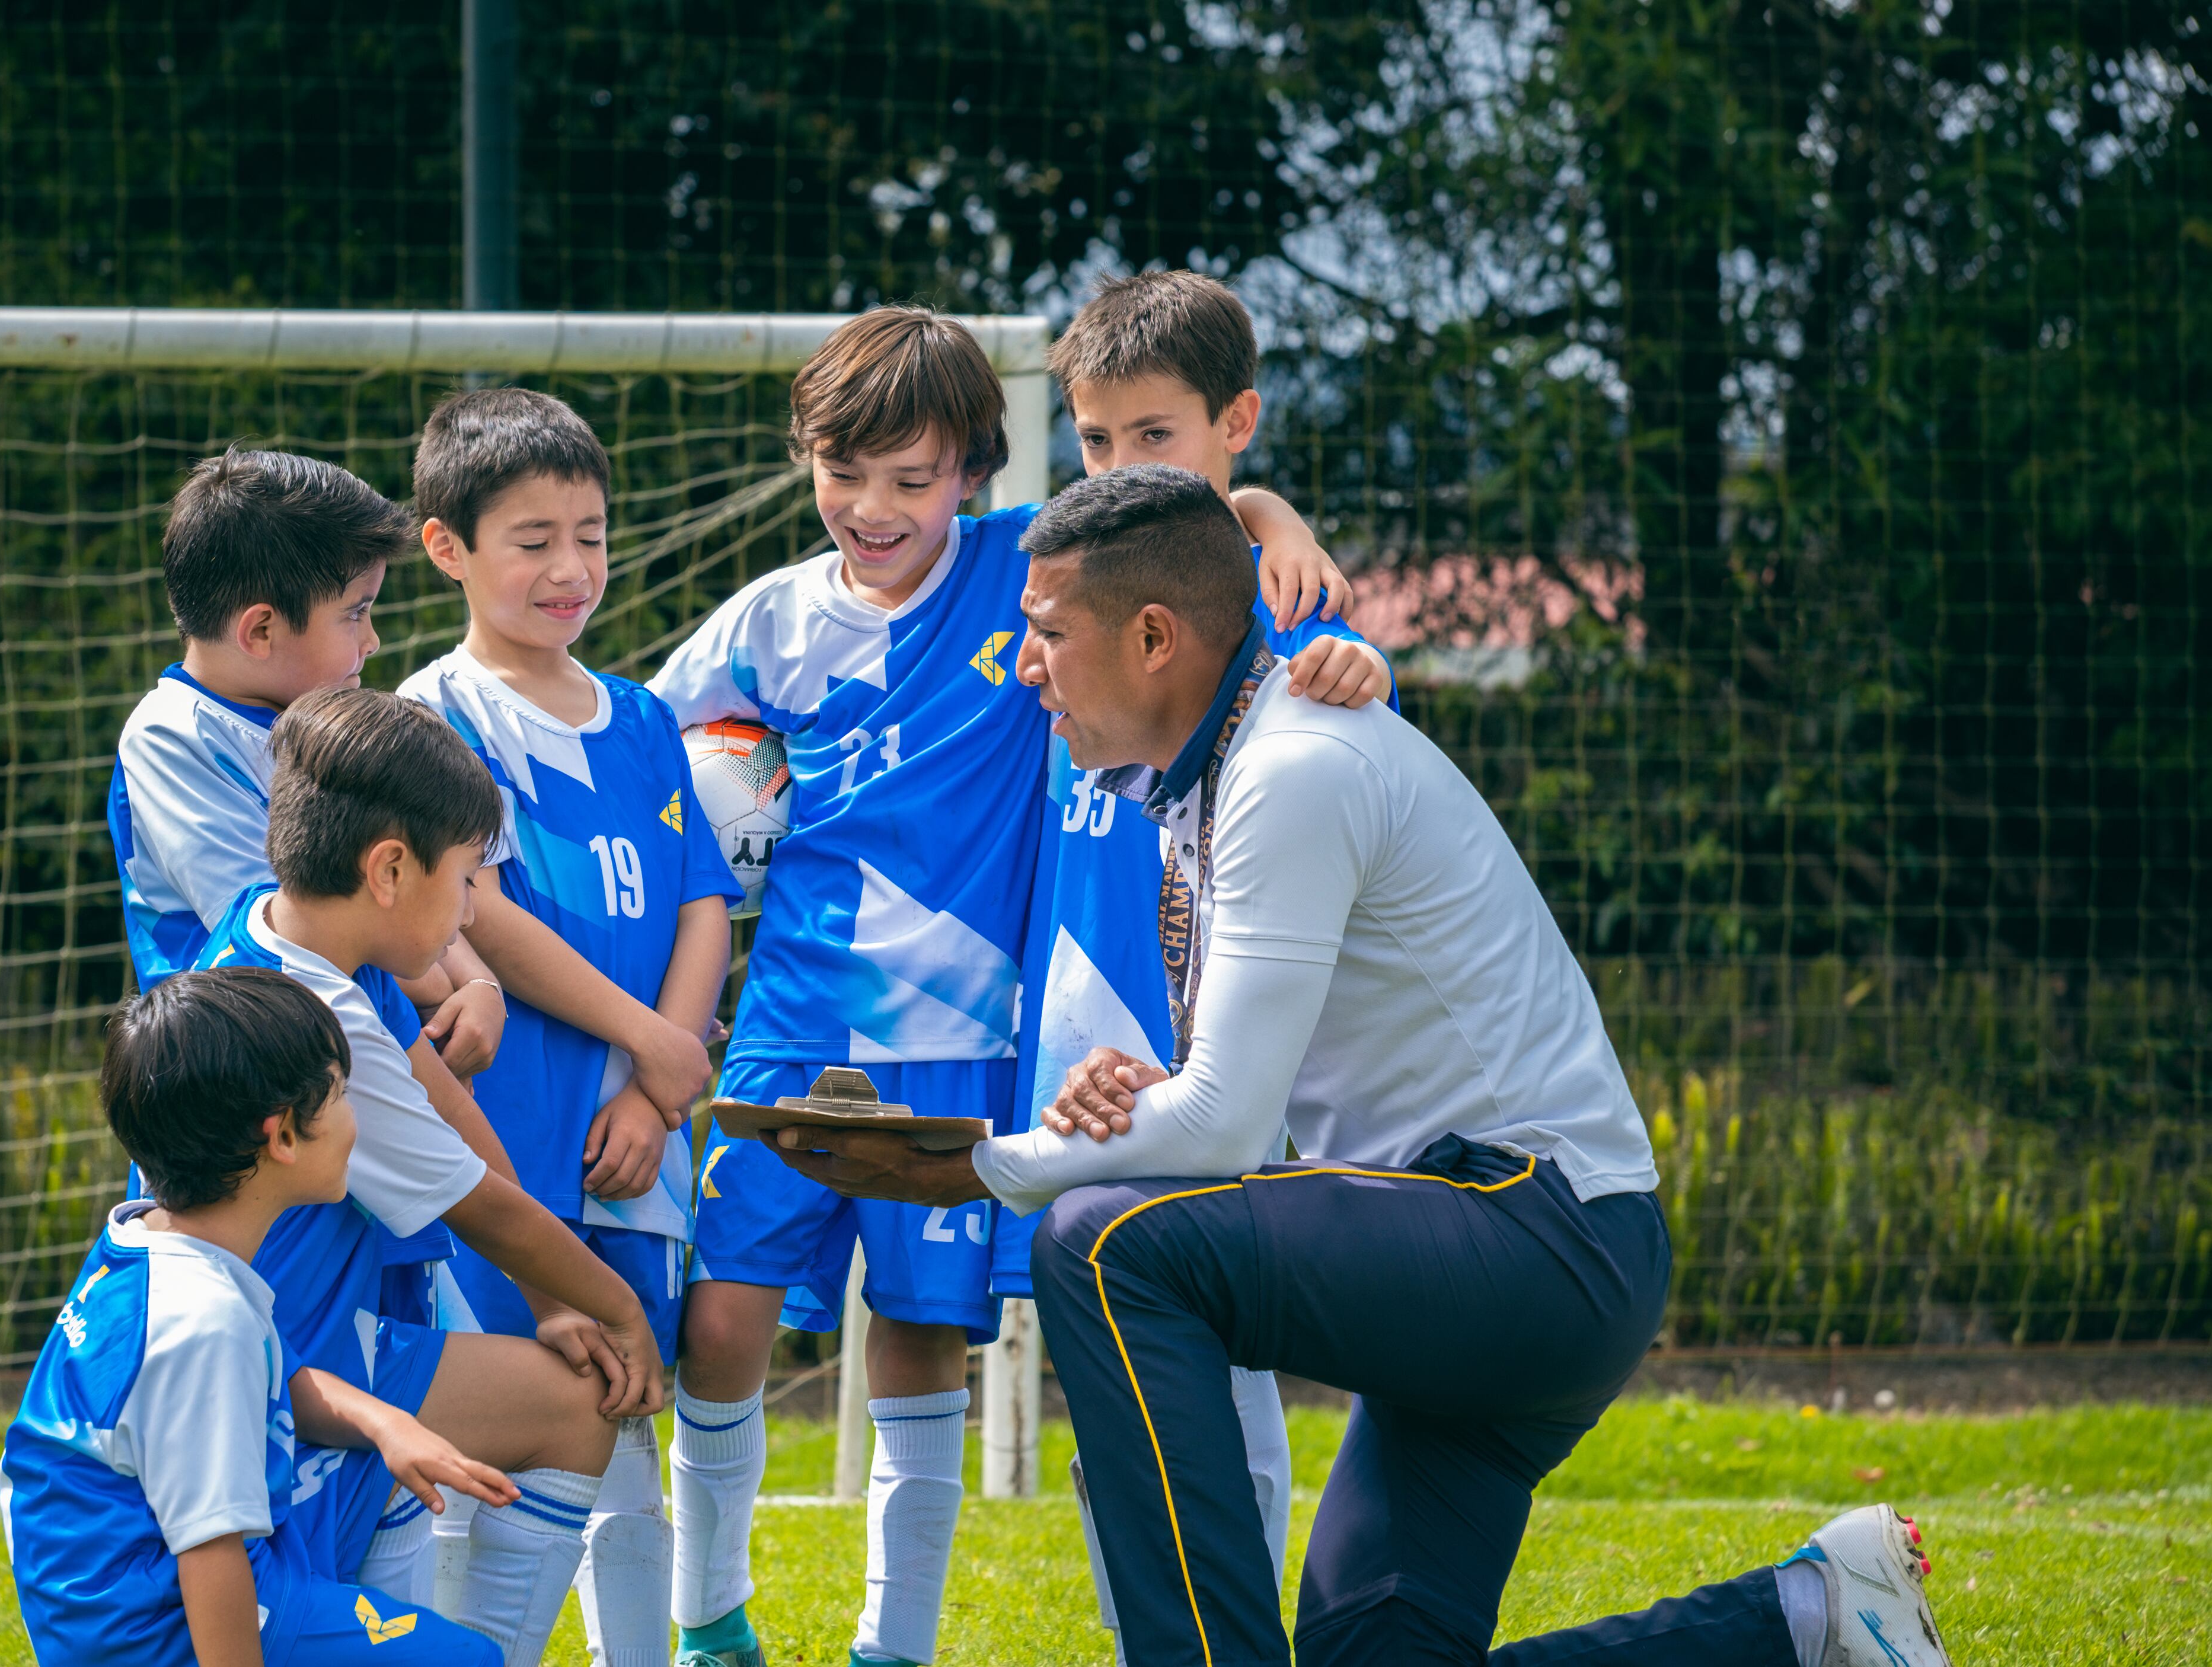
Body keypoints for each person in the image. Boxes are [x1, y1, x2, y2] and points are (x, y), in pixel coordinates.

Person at [762, 465, 1952, 1667]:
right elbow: (1230, 1098)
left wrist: (983, 1162)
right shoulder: (1212, 774)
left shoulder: (1292, 766)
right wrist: (1132, 1097)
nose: (1027, 667)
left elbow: (1225, 1130)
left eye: (1049, 632)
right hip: (1501, 1245)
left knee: (1102, 1242)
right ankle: (1815, 1614)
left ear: (1156, 637)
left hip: (1542, 1235)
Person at [646, 305, 1367, 1667]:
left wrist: (1269, 514)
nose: (873, 507)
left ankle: (894, 1643)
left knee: (923, 1332)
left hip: (966, 1039)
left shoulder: (1022, 568)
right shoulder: (768, 622)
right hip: (793, 1020)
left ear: (972, 475)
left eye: (911, 478)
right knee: (723, 1314)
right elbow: (646, 737)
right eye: (844, 472)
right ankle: (707, 1620)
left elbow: (1176, 504)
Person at [1008, 268, 1399, 1609]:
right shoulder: (1050, 576)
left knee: (1213, 1357)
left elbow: (1353, 717)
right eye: (1095, 438)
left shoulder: (1286, 609)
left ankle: (1222, 1623)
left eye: (1154, 434)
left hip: (1221, 1037)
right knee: (1112, 1360)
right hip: (1086, 1024)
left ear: (1236, 421)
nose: (1122, 465)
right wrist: (1260, 506)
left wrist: (1345, 643)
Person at [188, 687, 676, 1667]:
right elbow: (479, 1202)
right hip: (285, 1368)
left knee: (546, 1405)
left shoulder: (292, 931)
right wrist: (621, 1311)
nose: (470, 909)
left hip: (324, 1338)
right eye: (464, 879)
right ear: (389, 871)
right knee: (576, 1405)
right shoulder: (318, 1017)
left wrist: (554, 1303)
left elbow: (458, 1120)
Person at [396, 385, 743, 1667]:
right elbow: (474, 907)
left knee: (625, 1402)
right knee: (484, 1418)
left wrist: (658, 1088)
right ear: (448, 547)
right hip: (496, 1142)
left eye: (589, 535)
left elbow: (703, 900)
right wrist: (646, 1041)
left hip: (633, 1145)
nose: (569, 568)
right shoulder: (432, 717)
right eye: (533, 539)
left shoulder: (643, 717)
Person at [0, 966, 503, 1666]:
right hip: (156, 1632)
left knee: (376, 1481)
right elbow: (211, 1552)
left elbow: (282, 1378)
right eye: (341, 1094)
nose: (355, 1118)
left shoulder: (150, 1243)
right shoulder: (205, 1319)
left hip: (113, 1601)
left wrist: (386, 1424)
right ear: (284, 1137)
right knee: (468, 1661)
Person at [105, 449, 507, 1320]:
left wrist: (475, 982)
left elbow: (410, 879)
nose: (373, 640)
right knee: (280, 1362)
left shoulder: (325, 730)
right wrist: (442, 983)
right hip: (250, 1127)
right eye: (355, 613)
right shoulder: (173, 736)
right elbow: (306, 921)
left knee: (405, 1341)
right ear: (260, 630)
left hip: (354, 1086)